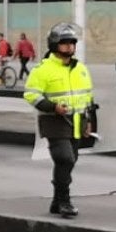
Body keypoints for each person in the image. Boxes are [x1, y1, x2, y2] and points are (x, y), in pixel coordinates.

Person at [24, 23, 93, 219]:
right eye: (65, 43)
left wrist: (89, 122)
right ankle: (65, 201)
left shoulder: (81, 69)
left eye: (72, 43)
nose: (69, 47)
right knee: (65, 158)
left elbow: (88, 97)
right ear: (54, 45)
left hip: (78, 121)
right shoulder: (42, 70)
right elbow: (31, 95)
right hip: (54, 121)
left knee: (70, 162)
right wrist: (52, 107)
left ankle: (56, 201)